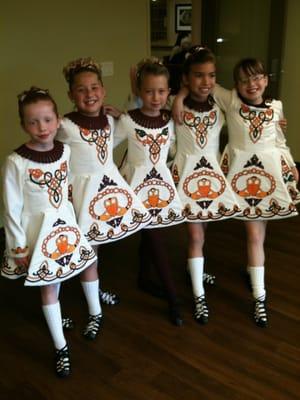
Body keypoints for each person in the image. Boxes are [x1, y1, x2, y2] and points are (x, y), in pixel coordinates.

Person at [173, 56, 300, 327]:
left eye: (256, 78)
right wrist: (179, 96)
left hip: (268, 177)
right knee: (243, 234)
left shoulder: (276, 107)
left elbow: (280, 142)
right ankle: (247, 295)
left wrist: (290, 164)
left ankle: (257, 289)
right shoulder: (230, 101)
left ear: (266, 80)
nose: (251, 84)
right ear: (236, 86)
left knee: (257, 235)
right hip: (238, 178)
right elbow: (203, 84)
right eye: (243, 80)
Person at [1, 87, 102, 378]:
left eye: (47, 120)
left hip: (65, 228)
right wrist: (18, 247)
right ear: (23, 125)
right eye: (33, 122)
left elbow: (66, 189)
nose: (41, 127)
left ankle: (96, 313)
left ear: (58, 121)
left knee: (86, 265)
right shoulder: (16, 162)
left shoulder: (66, 151)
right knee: (48, 286)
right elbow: (11, 208)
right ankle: (61, 347)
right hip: (37, 233)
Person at [57, 57, 151, 306]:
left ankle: (93, 293)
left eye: (94, 87)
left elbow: (131, 126)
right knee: (86, 249)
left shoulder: (110, 122)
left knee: (94, 249)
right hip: (80, 195)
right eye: (81, 89)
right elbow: (46, 149)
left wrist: (125, 109)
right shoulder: (64, 126)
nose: (89, 94)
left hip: (106, 193)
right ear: (70, 94)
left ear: (103, 90)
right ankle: (91, 304)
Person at [168, 46, 241, 324]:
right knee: (196, 237)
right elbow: (147, 107)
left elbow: (243, 105)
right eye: (198, 76)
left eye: (211, 75)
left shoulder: (219, 104)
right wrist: (180, 97)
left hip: (212, 178)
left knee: (204, 230)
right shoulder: (174, 103)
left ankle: (193, 269)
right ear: (186, 78)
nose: (206, 82)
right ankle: (199, 296)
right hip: (187, 176)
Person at [113, 58, 186, 326]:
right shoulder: (127, 120)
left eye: (161, 91)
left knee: (151, 234)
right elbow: (103, 148)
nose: (155, 97)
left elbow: (178, 150)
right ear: (138, 92)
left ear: (169, 92)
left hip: (161, 186)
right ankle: (173, 297)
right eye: (148, 91)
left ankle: (144, 278)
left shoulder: (170, 120)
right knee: (155, 237)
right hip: (136, 188)